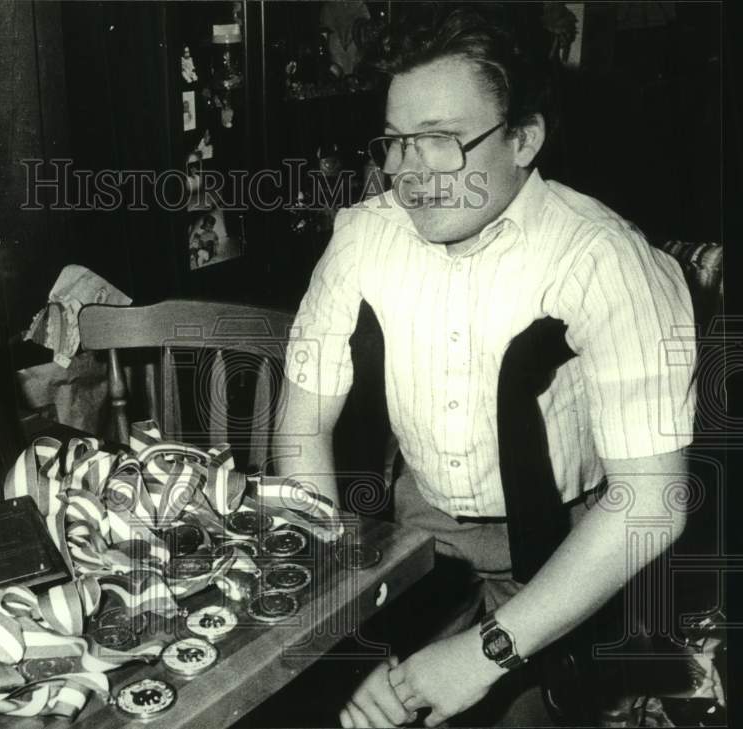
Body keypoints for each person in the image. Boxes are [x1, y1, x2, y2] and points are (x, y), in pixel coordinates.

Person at [274, 5, 696, 727]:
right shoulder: (363, 237)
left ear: (524, 138)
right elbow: (302, 428)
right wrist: (341, 628)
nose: (408, 173)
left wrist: (483, 654)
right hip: (413, 535)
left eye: (441, 141)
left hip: (565, 545)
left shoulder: (605, 259)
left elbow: (651, 502)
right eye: (396, 142)